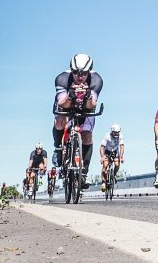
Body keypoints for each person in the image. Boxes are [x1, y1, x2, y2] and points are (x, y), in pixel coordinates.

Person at [52, 53, 104, 186]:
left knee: (87, 134)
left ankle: (84, 172)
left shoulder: (96, 80)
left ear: (89, 71)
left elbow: (91, 105)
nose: (80, 77)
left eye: (84, 73)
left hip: (85, 107)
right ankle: (58, 148)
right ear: (71, 70)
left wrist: (86, 96)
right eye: (76, 73)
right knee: (59, 121)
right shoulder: (62, 79)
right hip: (66, 102)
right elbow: (63, 104)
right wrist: (71, 96)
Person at [99, 123, 125, 191]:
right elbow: (102, 147)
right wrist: (102, 157)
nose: (117, 134)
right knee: (105, 165)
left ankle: (113, 175)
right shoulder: (107, 136)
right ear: (112, 132)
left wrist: (121, 157)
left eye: (118, 133)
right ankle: (104, 182)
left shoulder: (120, 136)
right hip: (107, 151)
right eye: (115, 133)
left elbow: (121, 146)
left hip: (115, 151)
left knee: (117, 164)